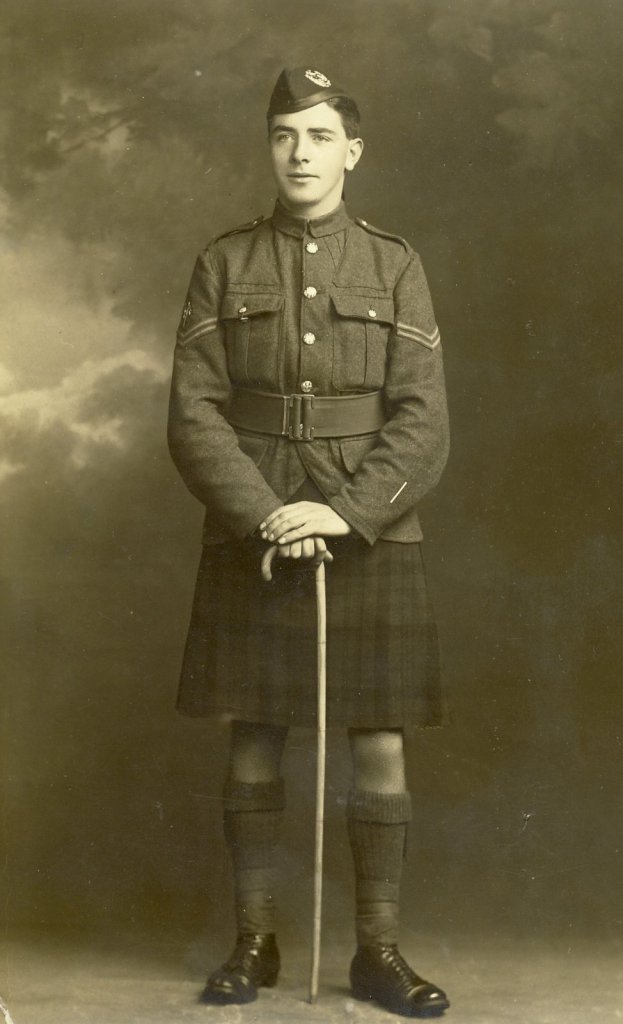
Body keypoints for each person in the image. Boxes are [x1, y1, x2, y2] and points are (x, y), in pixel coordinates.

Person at [168, 65, 451, 1018]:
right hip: (256, 523)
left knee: (378, 740)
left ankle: (377, 951)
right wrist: (263, 512)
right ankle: (254, 939)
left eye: (320, 135)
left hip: (367, 525)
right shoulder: (225, 262)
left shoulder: (394, 263)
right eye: (286, 134)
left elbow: (422, 422)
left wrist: (346, 510)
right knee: (255, 731)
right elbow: (194, 414)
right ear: (269, 146)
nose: (301, 153)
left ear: (352, 152)